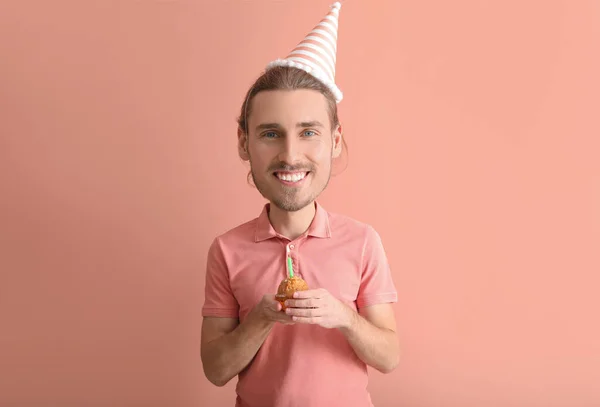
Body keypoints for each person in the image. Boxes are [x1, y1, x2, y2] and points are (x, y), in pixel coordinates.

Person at [200, 3, 399, 406]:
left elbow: (390, 357)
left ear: (335, 141)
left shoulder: (362, 242)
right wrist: (261, 318)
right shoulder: (227, 250)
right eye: (271, 133)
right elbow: (216, 369)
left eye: (308, 131)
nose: (290, 155)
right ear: (244, 142)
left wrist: (343, 316)